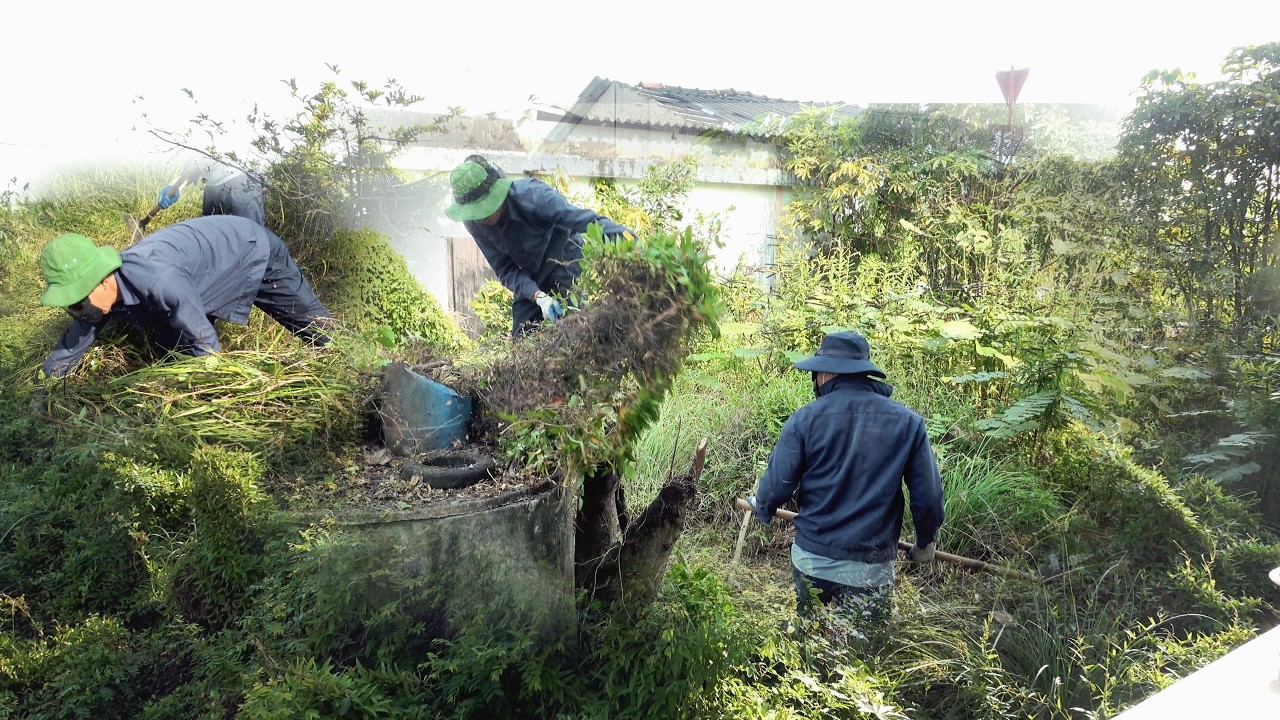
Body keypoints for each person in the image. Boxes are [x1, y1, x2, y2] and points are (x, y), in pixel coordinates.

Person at [750, 331, 944, 633]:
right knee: (863, 650)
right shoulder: (908, 423)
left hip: (812, 559)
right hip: (870, 566)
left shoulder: (805, 418)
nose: (815, 382)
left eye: (815, 374)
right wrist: (924, 544)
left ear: (826, 373)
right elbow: (927, 497)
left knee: (809, 641)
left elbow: (777, 484)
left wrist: (762, 508)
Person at [38, 214, 332, 379]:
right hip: (200, 274)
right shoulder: (101, 295)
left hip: (250, 248)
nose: (76, 311)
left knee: (321, 333)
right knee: (169, 349)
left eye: (77, 301)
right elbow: (72, 344)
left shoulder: (159, 281)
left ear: (101, 281)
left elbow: (205, 346)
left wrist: (196, 395)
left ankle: (355, 374)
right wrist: (46, 384)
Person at [445, 154, 634, 338]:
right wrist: (538, 296)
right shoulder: (472, 221)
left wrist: (628, 240)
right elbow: (504, 268)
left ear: (496, 193)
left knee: (575, 331)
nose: (481, 218)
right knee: (521, 339)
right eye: (476, 214)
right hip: (529, 273)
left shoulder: (533, 195)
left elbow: (582, 220)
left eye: (484, 210)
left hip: (564, 258)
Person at [157, 158, 267, 226]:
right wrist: (177, 185)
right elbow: (195, 162)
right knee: (214, 244)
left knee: (248, 241)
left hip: (242, 182)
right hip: (213, 188)